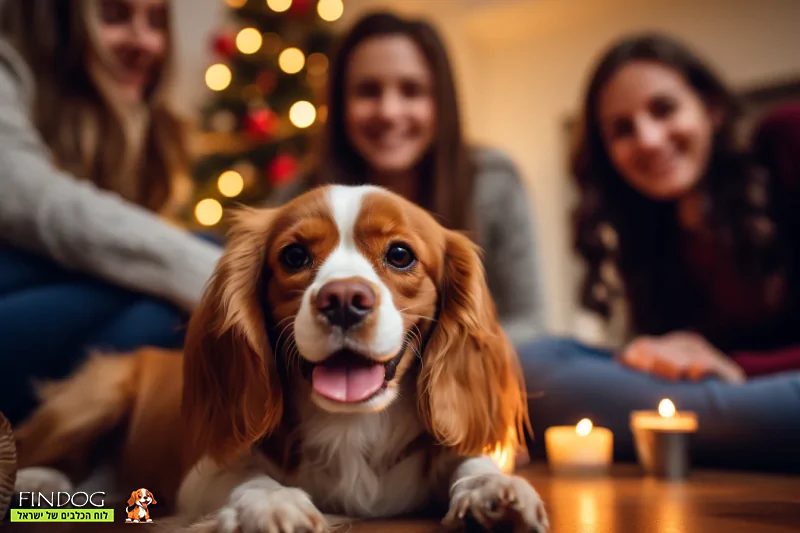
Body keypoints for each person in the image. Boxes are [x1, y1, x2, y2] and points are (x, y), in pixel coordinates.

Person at [520, 32, 800, 472]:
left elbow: (713, 377)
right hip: (718, 399)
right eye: (622, 130)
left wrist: (740, 369)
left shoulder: (786, 139)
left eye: (664, 109)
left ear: (712, 108)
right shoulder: (647, 237)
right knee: (529, 363)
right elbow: (675, 375)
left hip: (771, 390)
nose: (648, 139)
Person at [0, 0, 222, 424]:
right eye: (115, 16)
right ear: (62, 26)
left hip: (53, 338)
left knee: (164, 309)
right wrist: (213, 274)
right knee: (187, 281)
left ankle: (59, 453)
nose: (143, 41)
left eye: (155, 21)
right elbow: (37, 203)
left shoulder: (129, 133)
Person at [271, 11, 547, 347]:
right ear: (340, 105)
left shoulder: (494, 180)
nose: (388, 111)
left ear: (440, 102)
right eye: (368, 91)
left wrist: (429, 352)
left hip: (479, 361)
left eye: (412, 90)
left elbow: (528, 322)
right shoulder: (297, 196)